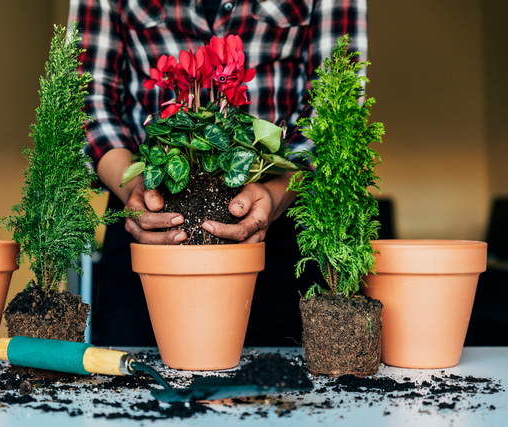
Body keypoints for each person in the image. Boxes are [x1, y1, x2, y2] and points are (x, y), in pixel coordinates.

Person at [68, 0, 368, 346]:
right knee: (134, 382)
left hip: (285, 221)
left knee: (283, 385)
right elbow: (87, 97)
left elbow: (337, 101)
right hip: (145, 217)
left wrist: (276, 189)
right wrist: (134, 189)